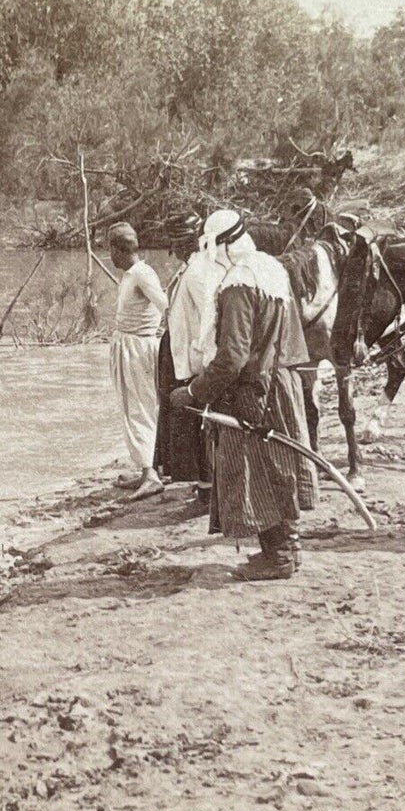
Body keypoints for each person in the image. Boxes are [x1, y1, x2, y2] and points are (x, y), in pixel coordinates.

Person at [171, 209, 318, 581]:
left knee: (260, 473)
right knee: (280, 468)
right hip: (281, 382)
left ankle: (279, 556)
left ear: (221, 247)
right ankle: (287, 550)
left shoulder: (238, 284)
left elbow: (233, 355)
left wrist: (194, 391)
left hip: (254, 392)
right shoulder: (270, 269)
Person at [156, 211, 219, 506]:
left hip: (195, 359)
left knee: (199, 425)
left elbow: (208, 319)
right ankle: (203, 485)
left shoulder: (198, 273)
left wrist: (200, 358)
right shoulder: (191, 269)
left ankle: (208, 488)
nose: (174, 249)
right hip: (184, 355)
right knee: (190, 425)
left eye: (176, 243)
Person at [107, 221, 167, 500]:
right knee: (131, 408)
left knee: (141, 408)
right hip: (128, 346)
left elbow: (165, 305)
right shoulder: (131, 274)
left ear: (120, 250)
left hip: (139, 349)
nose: (110, 256)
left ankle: (151, 475)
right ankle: (146, 468)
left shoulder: (142, 274)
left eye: (111, 250)